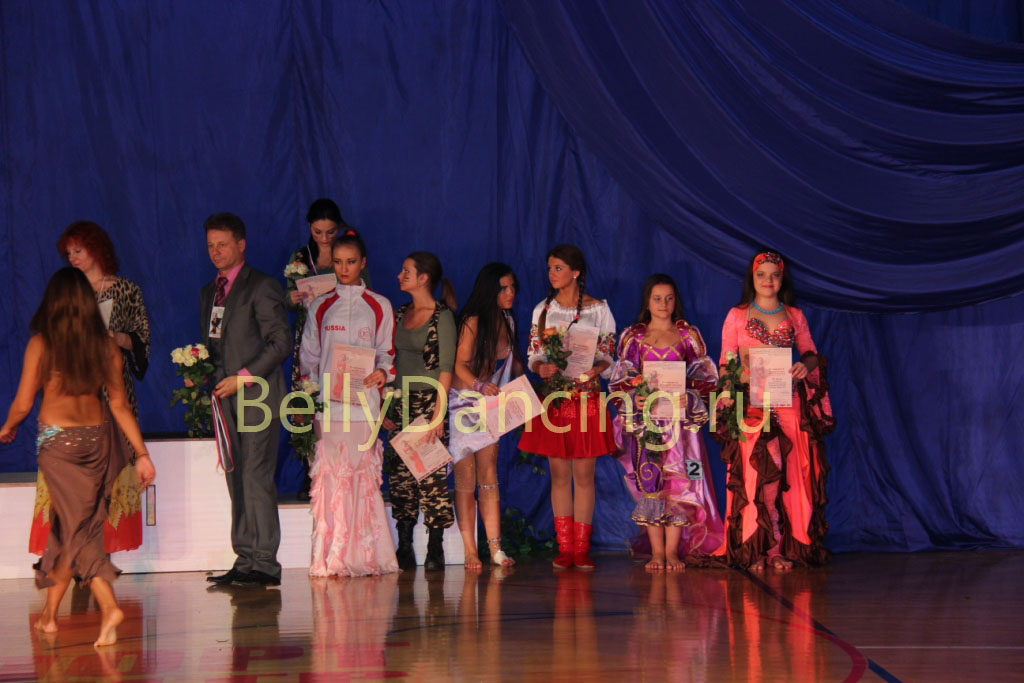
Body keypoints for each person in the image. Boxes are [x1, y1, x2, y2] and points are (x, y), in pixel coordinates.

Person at [0, 267, 156, 647]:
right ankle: (50, 616)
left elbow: (23, 402)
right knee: (67, 526)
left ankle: (109, 607)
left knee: (77, 530)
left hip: (59, 446)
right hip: (96, 442)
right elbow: (119, 405)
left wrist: (7, 427)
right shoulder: (105, 345)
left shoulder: (42, 343)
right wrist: (141, 453)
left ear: (53, 301)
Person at [26, 222, 153, 557]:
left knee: (109, 472)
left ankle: (98, 555)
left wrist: (112, 338)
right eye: (68, 253)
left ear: (96, 249)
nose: (73, 258)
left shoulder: (125, 290)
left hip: (112, 391)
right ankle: (74, 555)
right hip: (72, 397)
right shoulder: (69, 289)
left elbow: (141, 342)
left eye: (78, 250)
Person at [714, 251, 835, 571]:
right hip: (752, 402)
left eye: (774, 274)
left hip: (787, 401)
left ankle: (780, 548)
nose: (768, 280)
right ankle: (755, 547)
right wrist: (741, 379)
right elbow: (725, 363)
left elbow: (811, 354)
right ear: (752, 278)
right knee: (758, 474)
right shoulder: (737, 315)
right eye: (761, 274)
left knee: (791, 473)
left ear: (782, 279)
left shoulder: (794, 315)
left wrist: (804, 366)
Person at [299, 229, 398, 577]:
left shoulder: (380, 305)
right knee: (330, 477)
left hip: (364, 404)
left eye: (351, 262)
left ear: (363, 263)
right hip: (329, 406)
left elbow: (387, 354)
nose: (344, 269)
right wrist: (310, 397)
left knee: (362, 477)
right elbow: (309, 358)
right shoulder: (320, 306)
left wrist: (382, 374)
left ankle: (366, 555)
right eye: (339, 262)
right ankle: (331, 555)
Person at [200, 213, 291, 587]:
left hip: (257, 398)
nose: (216, 251)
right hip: (225, 399)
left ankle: (265, 562)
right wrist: (200, 371)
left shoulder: (262, 286)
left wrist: (243, 376)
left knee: (256, 476)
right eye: (211, 245)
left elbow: (280, 343)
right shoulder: (210, 292)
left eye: (223, 244)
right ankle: (245, 557)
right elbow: (214, 344)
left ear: (241, 244)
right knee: (236, 476)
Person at [609, 274, 724, 571]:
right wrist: (635, 398)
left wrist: (691, 396)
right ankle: (656, 552)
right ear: (647, 302)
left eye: (669, 298)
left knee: (680, 483)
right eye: (657, 298)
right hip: (648, 424)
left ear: (676, 301)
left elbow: (706, 377)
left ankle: (672, 551)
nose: (663, 304)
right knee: (651, 482)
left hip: (680, 427)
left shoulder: (687, 335)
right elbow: (622, 378)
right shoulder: (634, 337)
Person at [518, 245, 616, 570]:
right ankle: (565, 547)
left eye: (558, 268)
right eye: (549, 268)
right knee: (559, 474)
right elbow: (534, 354)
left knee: (584, 474)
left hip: (586, 397)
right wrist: (540, 367)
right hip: (556, 399)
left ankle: (581, 549)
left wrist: (596, 368)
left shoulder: (599, 309)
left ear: (575, 272)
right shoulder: (543, 310)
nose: (552, 274)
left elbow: (608, 354)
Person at [283, 200, 370, 500]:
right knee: (305, 403)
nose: (324, 238)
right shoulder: (300, 257)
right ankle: (312, 472)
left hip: (345, 341)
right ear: (309, 227)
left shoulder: (349, 251)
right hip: (310, 337)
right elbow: (285, 297)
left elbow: (366, 292)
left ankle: (346, 469)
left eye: (330, 232)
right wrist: (291, 298)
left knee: (344, 403)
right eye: (318, 232)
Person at [381, 252, 457, 571]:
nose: (400, 276)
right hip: (401, 401)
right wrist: (386, 404)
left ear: (423, 278)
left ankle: (435, 547)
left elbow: (446, 367)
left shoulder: (442, 316)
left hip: (428, 401)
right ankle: (405, 545)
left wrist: (438, 414)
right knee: (400, 477)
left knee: (431, 476)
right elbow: (390, 361)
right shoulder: (400, 313)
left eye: (406, 271)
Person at [448, 263, 524, 569]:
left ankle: (495, 549)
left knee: (489, 474)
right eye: (503, 288)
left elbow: (513, 364)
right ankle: (470, 550)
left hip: (490, 404)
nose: (510, 293)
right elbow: (458, 365)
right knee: (466, 476)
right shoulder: (472, 320)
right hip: (464, 403)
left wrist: (532, 380)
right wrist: (479, 384)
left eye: (512, 287)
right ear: (490, 290)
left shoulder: (508, 320)